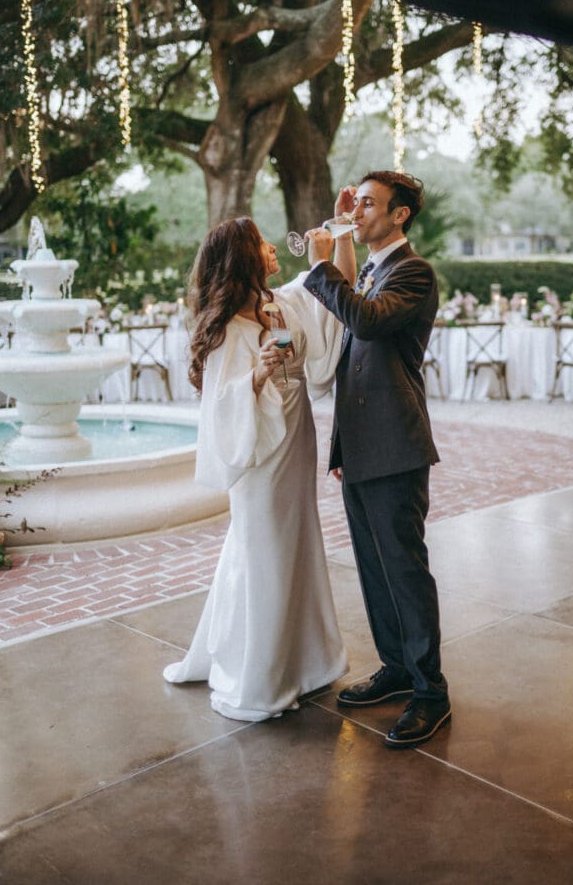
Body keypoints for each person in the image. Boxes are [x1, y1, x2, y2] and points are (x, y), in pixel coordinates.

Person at [163, 217, 353, 721]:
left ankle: (306, 664)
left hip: (295, 441)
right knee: (264, 550)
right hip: (259, 454)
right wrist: (257, 373)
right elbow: (220, 404)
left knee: (296, 545)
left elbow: (335, 296)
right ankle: (261, 678)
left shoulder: (280, 305)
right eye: (262, 243)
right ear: (244, 258)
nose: (272, 247)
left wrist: (342, 236)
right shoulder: (227, 328)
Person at [303, 171, 450, 748]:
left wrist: (320, 266)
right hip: (363, 446)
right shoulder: (369, 269)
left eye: (369, 204)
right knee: (373, 567)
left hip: (396, 445)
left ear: (400, 214)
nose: (359, 211)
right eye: (357, 203)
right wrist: (340, 228)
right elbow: (352, 361)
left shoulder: (413, 271)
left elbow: (362, 318)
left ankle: (431, 693)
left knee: (405, 570)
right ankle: (396, 667)